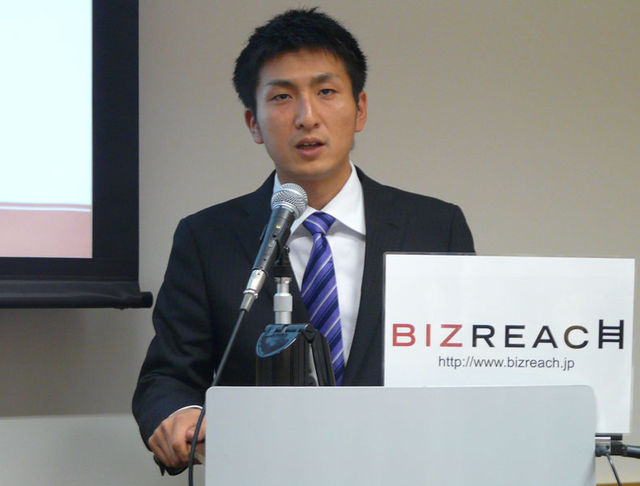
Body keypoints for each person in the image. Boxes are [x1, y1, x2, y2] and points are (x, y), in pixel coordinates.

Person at [133, 7, 474, 473]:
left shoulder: (435, 228)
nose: (306, 117)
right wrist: (180, 414)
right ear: (253, 123)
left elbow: (466, 367)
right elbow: (168, 376)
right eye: (281, 97)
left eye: (326, 92)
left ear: (360, 109)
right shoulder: (207, 237)